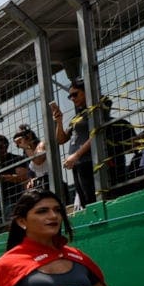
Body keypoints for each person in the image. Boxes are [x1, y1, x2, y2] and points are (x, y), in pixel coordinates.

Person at [52, 79, 95, 207]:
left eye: (75, 94)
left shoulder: (95, 109)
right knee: (84, 200)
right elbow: (61, 139)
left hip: (89, 161)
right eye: (70, 96)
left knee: (92, 198)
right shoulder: (77, 116)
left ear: (86, 91)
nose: (72, 98)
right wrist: (59, 121)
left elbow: (97, 134)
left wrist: (76, 155)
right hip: (78, 164)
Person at [13, 125, 50, 191]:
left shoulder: (41, 145)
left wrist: (26, 146)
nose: (20, 140)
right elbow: (31, 172)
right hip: (41, 186)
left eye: (21, 135)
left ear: (29, 135)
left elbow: (38, 161)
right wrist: (31, 180)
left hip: (52, 182)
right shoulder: (27, 153)